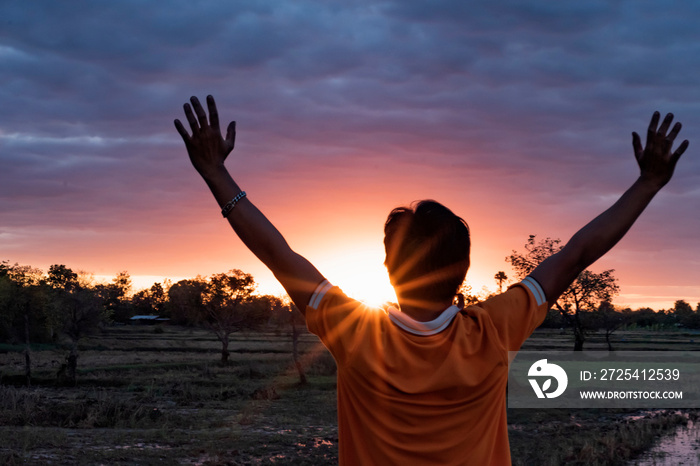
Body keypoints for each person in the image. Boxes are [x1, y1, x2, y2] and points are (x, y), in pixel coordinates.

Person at [174, 96, 690, 465]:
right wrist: (647, 183)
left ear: (389, 271)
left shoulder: (354, 333)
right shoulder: (493, 330)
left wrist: (216, 174)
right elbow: (577, 253)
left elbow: (275, 251)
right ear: (464, 270)